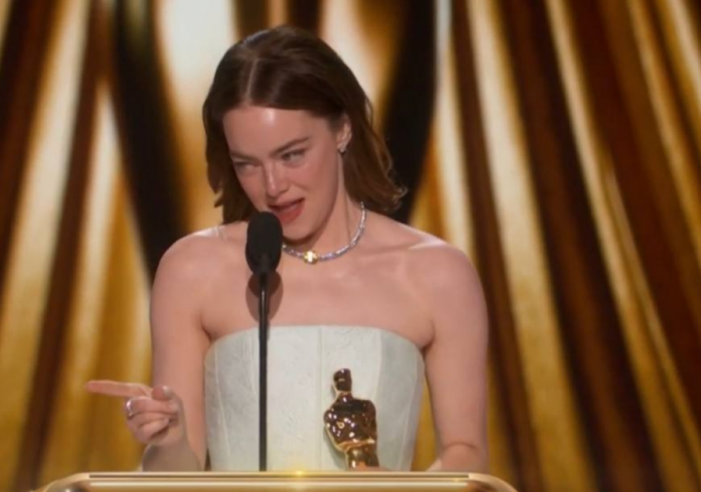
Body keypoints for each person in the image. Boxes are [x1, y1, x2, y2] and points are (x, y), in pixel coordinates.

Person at [86, 25, 488, 473]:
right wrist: (170, 440)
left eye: (292, 154)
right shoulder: (192, 270)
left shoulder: (437, 274)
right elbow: (177, 475)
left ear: (343, 129)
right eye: (247, 164)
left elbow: (466, 455)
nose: (273, 186)